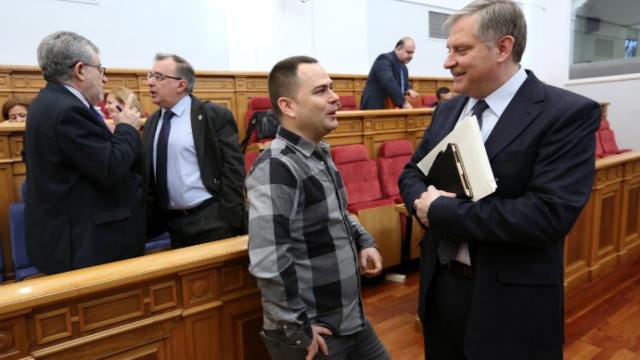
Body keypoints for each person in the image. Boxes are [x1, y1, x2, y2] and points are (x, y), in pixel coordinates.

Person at [398, 1, 601, 359]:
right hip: (441, 288)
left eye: (461, 50)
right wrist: (421, 202)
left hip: (511, 302)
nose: (447, 62)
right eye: (449, 50)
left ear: (503, 48)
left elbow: (547, 214)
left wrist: (441, 210)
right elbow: (413, 172)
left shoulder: (567, 113)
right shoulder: (448, 109)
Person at [247, 56, 389, 360]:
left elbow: (338, 213)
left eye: (333, 88)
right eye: (321, 90)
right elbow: (269, 261)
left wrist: (364, 241)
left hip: (351, 321)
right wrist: (298, 329)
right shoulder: (276, 165)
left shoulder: (319, 153)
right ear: (288, 106)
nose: (335, 97)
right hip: (313, 334)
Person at [25, 31, 145, 274]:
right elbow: (110, 168)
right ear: (80, 70)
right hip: (84, 246)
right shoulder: (68, 110)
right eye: (100, 69)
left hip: (65, 238)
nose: (104, 78)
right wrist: (126, 128)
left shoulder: (45, 102)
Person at [143, 53, 245, 248]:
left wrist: (229, 217)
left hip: (211, 220)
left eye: (159, 77)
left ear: (181, 85)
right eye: (150, 75)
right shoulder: (152, 123)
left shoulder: (212, 115)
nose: (149, 82)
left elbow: (233, 168)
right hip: (170, 225)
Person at [360, 37, 419, 110]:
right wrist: (403, 103)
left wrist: (408, 89)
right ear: (398, 48)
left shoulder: (404, 68)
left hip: (392, 107)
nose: (411, 56)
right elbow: (389, 82)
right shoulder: (384, 59)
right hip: (376, 106)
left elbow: (403, 85)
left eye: (412, 53)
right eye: (408, 52)